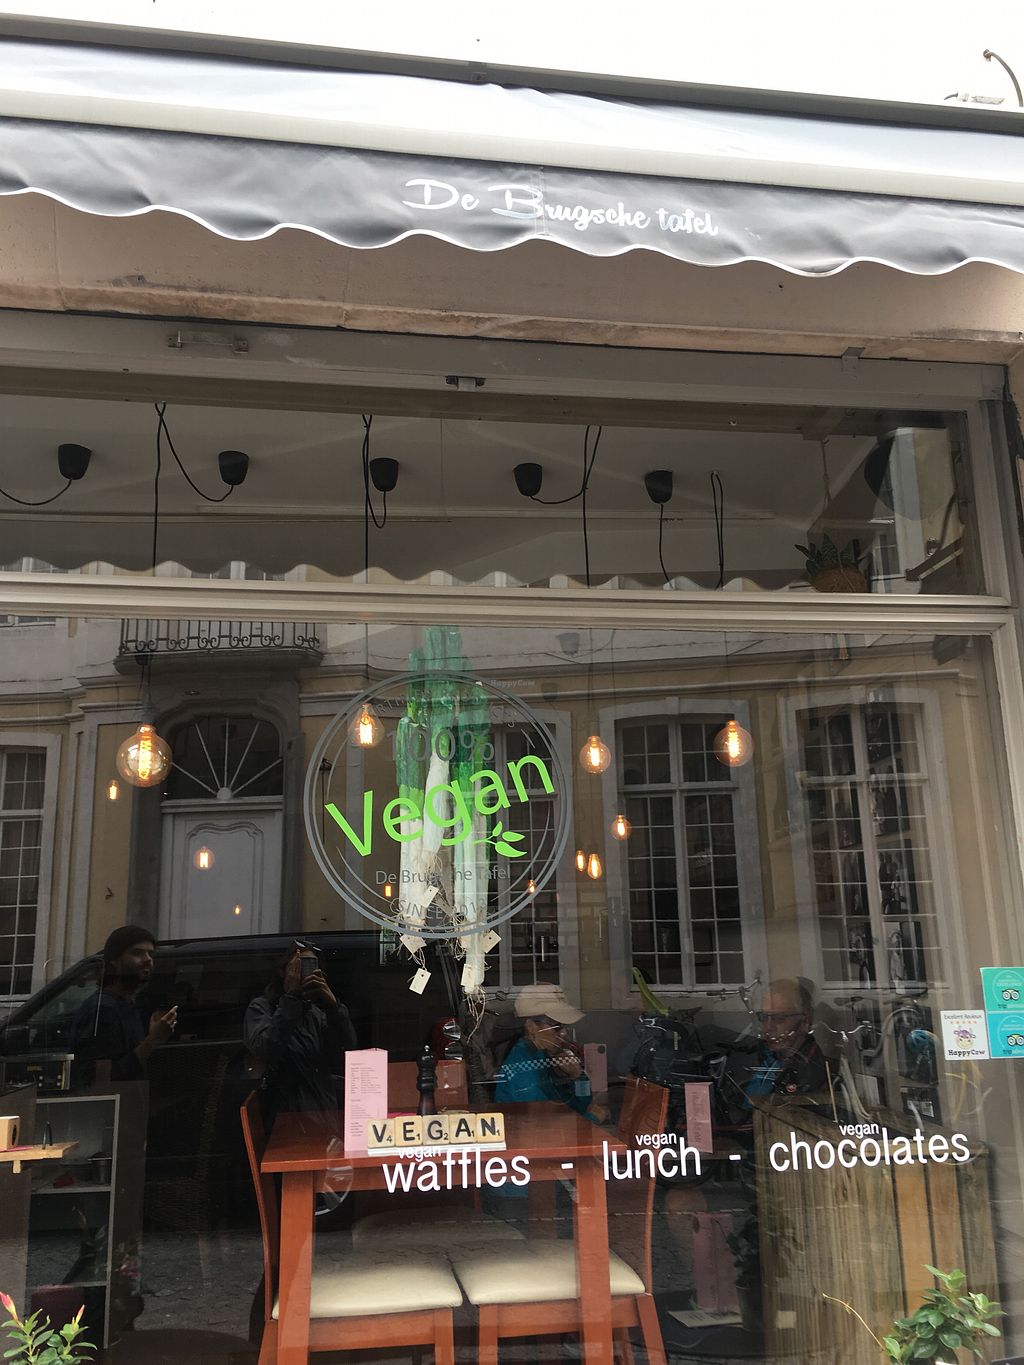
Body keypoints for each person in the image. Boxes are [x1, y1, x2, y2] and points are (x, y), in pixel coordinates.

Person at [243, 940, 358, 1126]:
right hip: (284, 1116)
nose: (305, 973)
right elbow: (265, 1050)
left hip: (322, 1114)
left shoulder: (315, 1012)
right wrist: (291, 998)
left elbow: (346, 1052)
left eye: (312, 966)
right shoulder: (263, 1008)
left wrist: (333, 1007)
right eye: (298, 966)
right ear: (283, 971)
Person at [71, 924, 177, 1083]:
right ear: (114, 960)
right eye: (137, 953)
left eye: (150, 954)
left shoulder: (127, 1004)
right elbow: (101, 1079)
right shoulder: (103, 1010)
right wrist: (153, 1040)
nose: (148, 959)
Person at [495, 983, 600, 1118]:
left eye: (563, 1026)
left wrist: (578, 1076)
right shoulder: (521, 1066)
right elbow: (546, 1121)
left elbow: (577, 1106)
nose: (563, 1033)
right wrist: (594, 1119)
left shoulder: (541, 1056)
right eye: (556, 1026)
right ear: (531, 1027)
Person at [745, 977, 834, 1103]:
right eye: (764, 1017)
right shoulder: (760, 1056)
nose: (768, 1027)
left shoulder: (817, 1070)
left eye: (779, 1018)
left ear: (805, 1021)